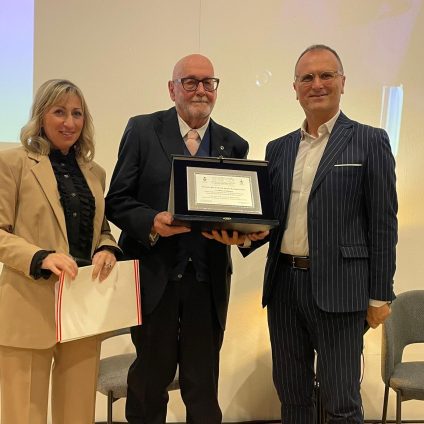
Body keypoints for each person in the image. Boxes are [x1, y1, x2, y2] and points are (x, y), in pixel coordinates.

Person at [207, 44, 398, 423]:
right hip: (284, 288)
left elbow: (383, 223)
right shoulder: (278, 149)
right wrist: (241, 236)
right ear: (295, 88)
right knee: (292, 395)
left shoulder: (370, 140)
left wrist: (380, 294)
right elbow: (270, 219)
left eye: (326, 75)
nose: (317, 84)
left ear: (342, 82)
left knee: (341, 401)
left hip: (341, 291)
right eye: (307, 77)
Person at [105, 54, 249, 423]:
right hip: (155, 279)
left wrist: (241, 233)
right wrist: (152, 222)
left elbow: (238, 209)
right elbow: (117, 201)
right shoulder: (142, 130)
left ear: (215, 89)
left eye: (208, 82)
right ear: (172, 89)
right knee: (148, 385)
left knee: (203, 388)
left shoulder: (234, 144)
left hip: (207, 283)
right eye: (190, 82)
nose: (200, 90)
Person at [0, 79, 120, 424]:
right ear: (41, 116)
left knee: (78, 415)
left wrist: (107, 249)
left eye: (77, 113)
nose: (69, 122)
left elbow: (101, 230)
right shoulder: (12, 163)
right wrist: (40, 256)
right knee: (23, 415)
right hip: (28, 304)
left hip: (82, 308)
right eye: (59, 112)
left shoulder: (95, 173)